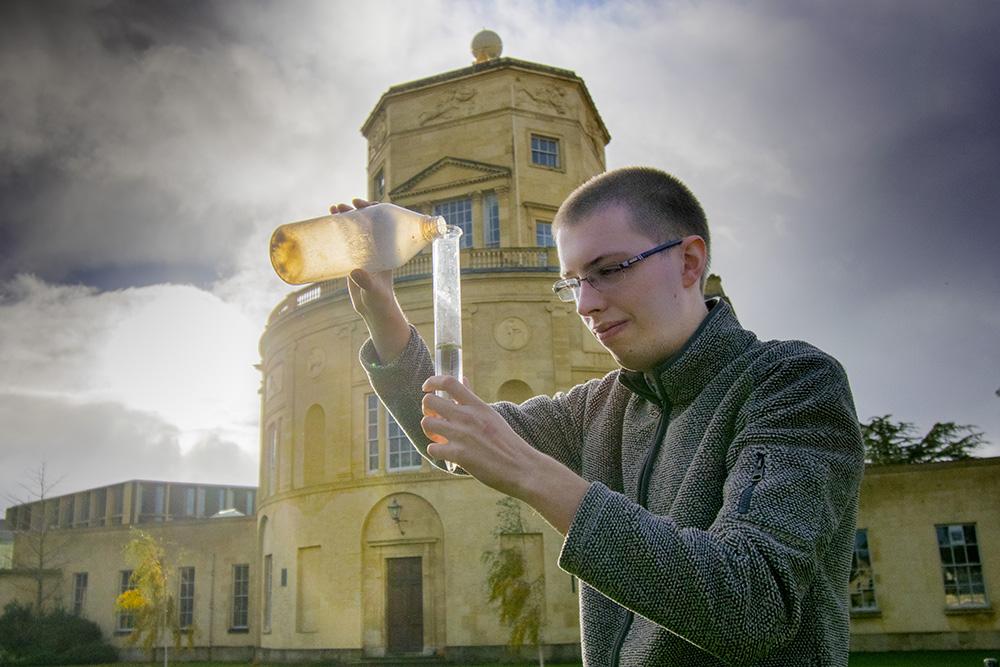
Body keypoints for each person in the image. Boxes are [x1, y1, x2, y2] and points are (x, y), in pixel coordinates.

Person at [342, 166, 865, 666]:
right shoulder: (597, 408)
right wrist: (383, 311)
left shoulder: (792, 383)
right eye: (572, 282)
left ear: (689, 262)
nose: (585, 304)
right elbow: (455, 432)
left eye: (608, 270)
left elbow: (751, 604)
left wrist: (533, 473)